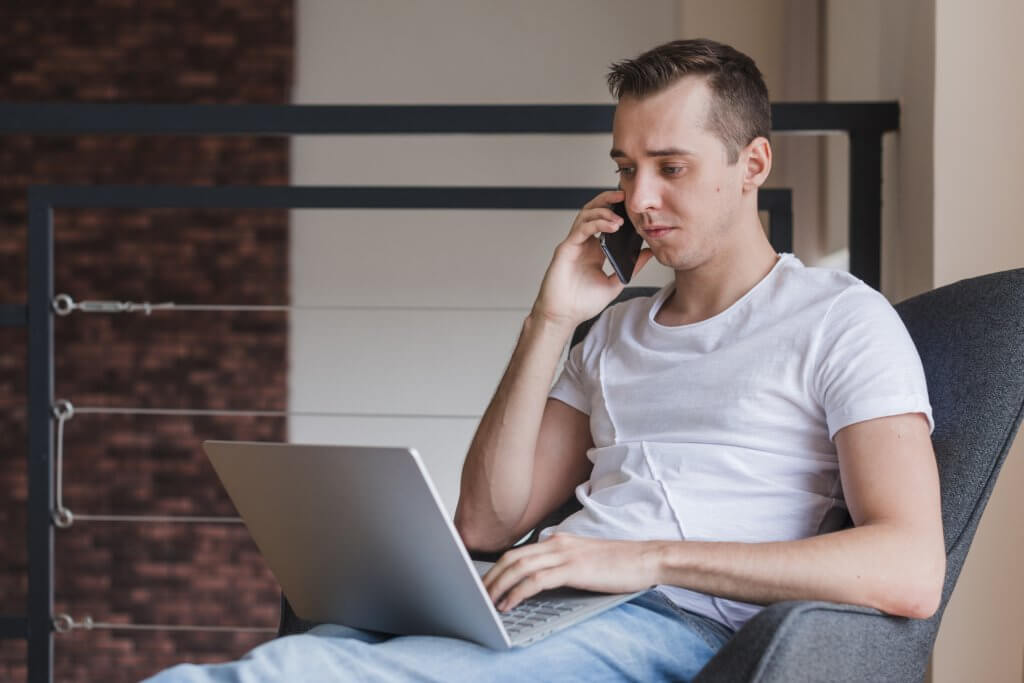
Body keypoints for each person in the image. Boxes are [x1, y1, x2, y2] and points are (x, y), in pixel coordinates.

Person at [146, 38, 944, 682]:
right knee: (319, 650)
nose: (640, 200)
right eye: (626, 168)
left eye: (671, 167)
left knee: (296, 675)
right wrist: (551, 317)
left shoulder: (839, 320)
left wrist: (643, 558)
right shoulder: (616, 333)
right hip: (553, 602)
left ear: (754, 166)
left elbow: (910, 566)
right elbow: (487, 521)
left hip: (674, 628)